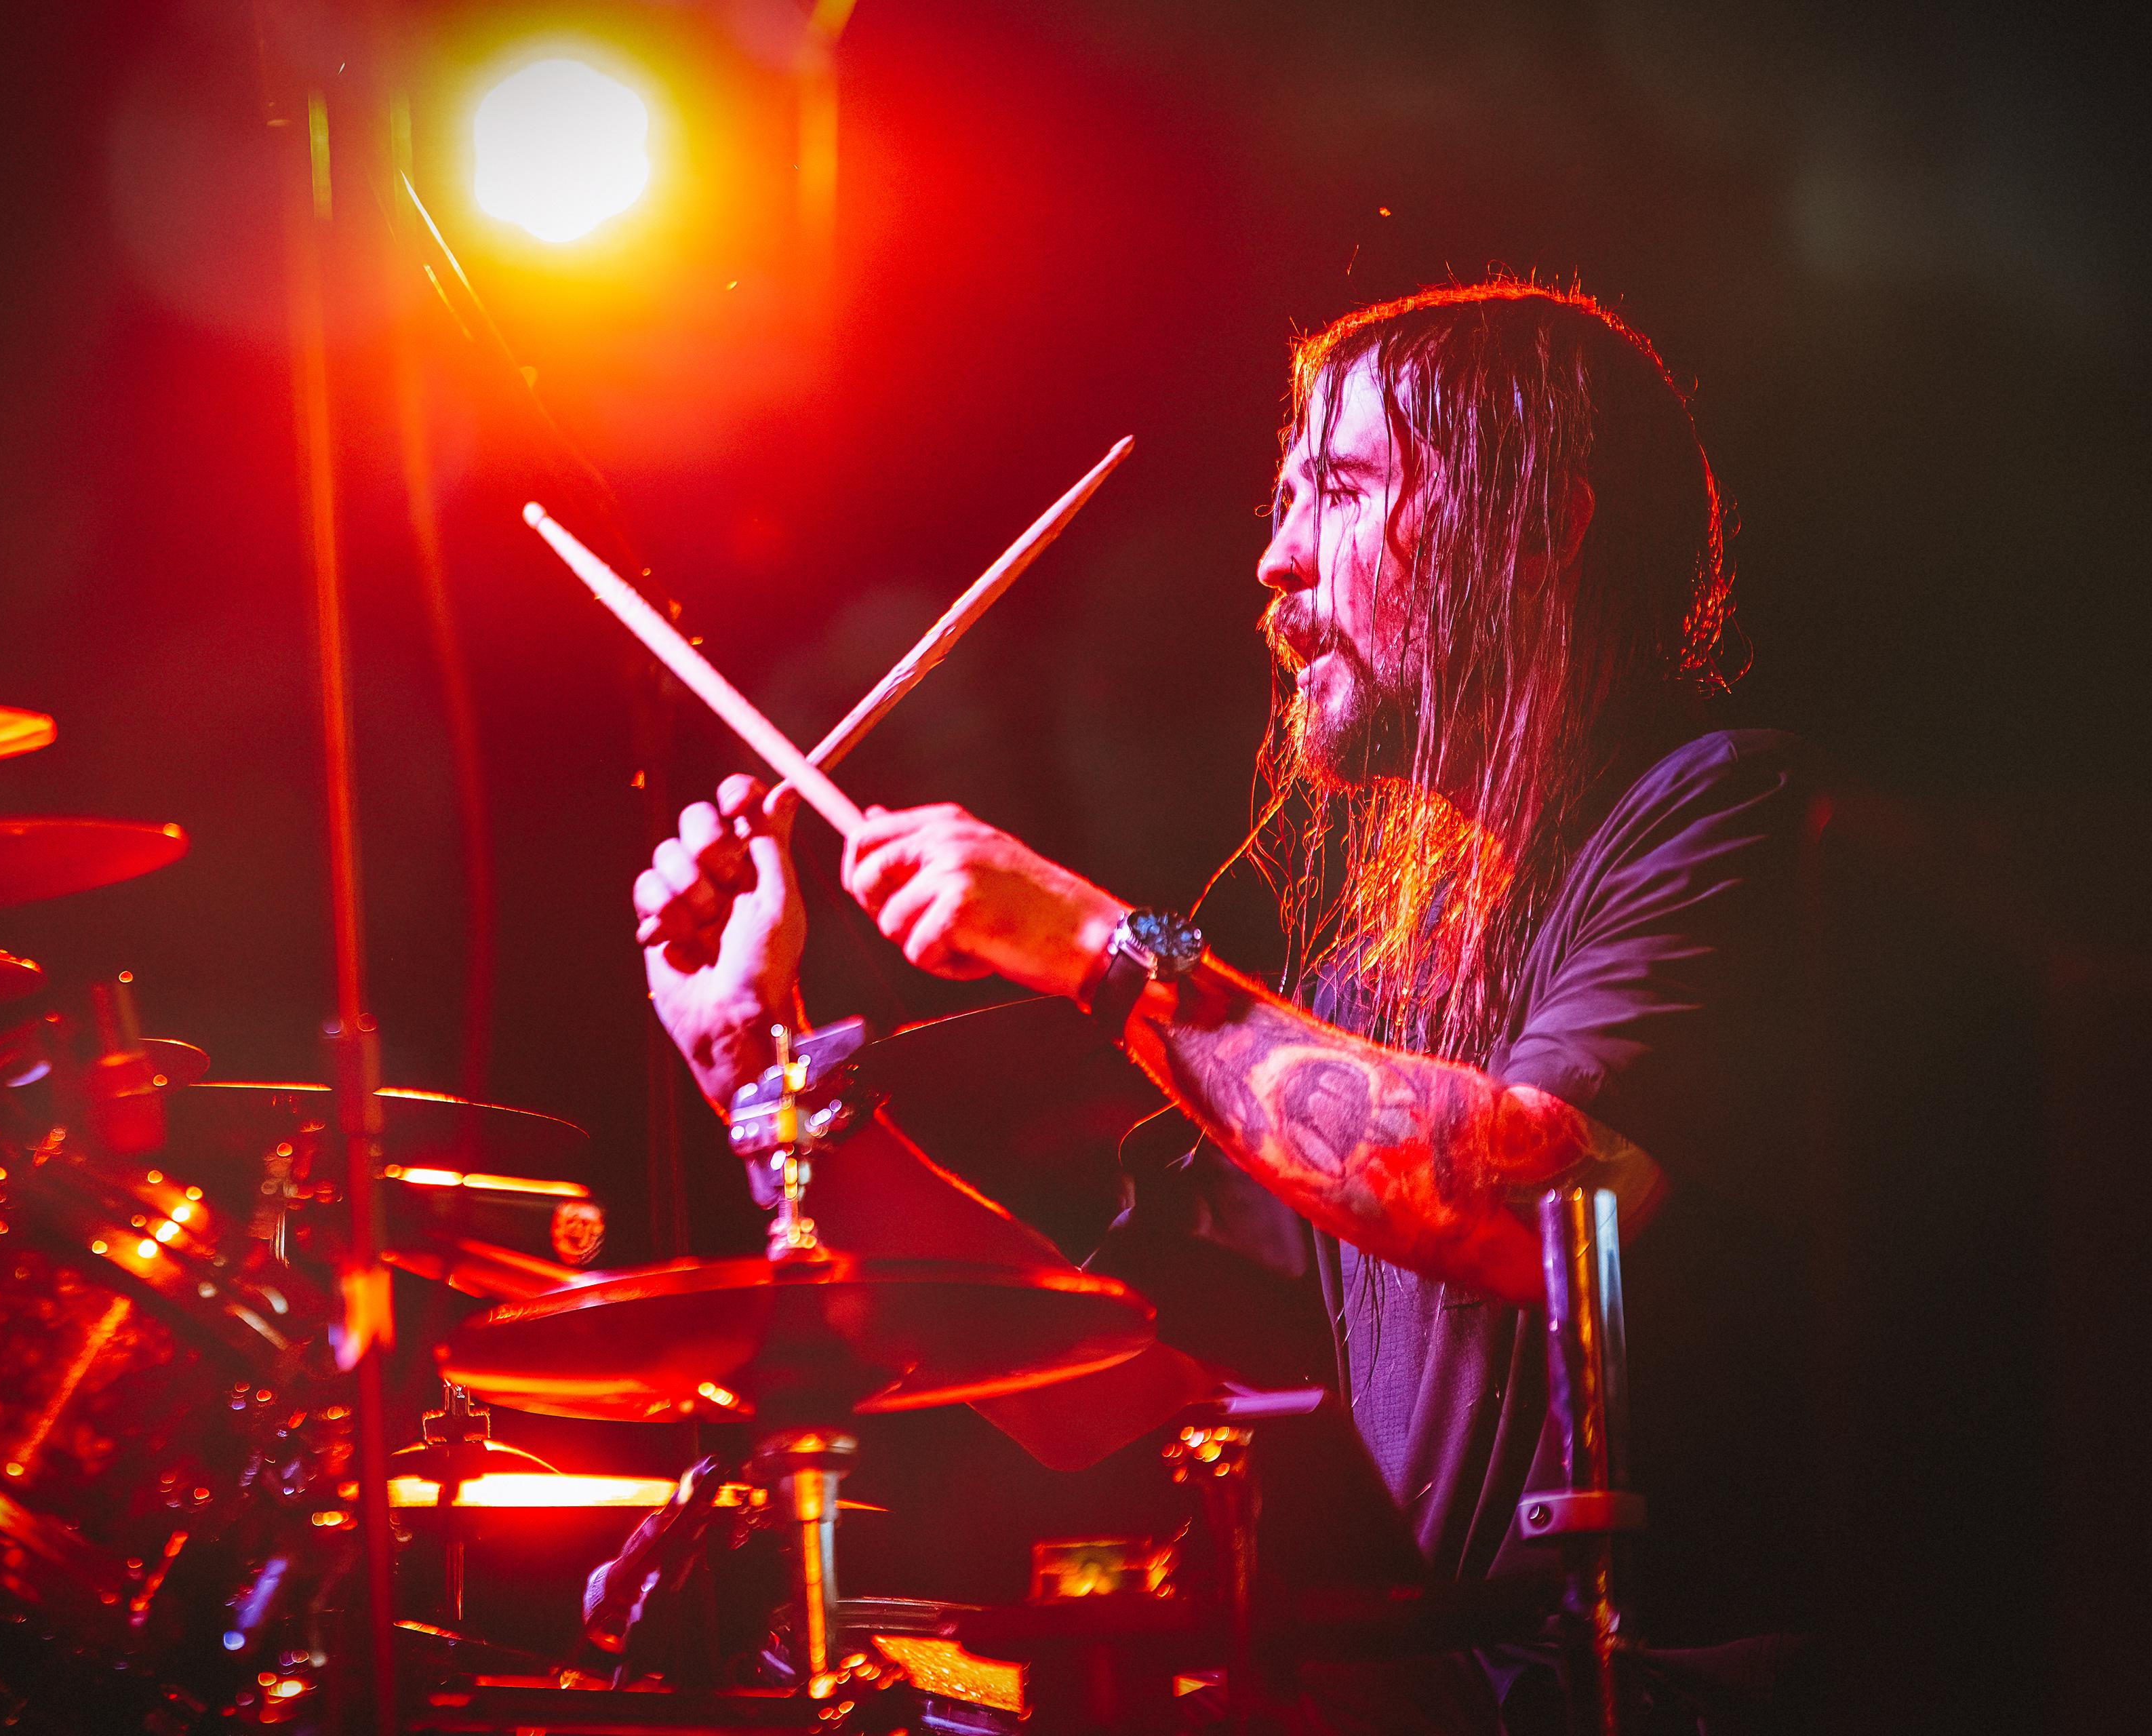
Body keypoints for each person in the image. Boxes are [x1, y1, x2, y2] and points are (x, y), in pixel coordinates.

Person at [634, 281, 1820, 1731]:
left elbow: (1535, 1203)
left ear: (1536, 532)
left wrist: (1099, 947)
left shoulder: (1722, 811)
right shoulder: (1378, 982)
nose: (1275, 558)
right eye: (1284, 500)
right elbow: (1102, 1386)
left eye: (1341, 489)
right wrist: (760, 1075)